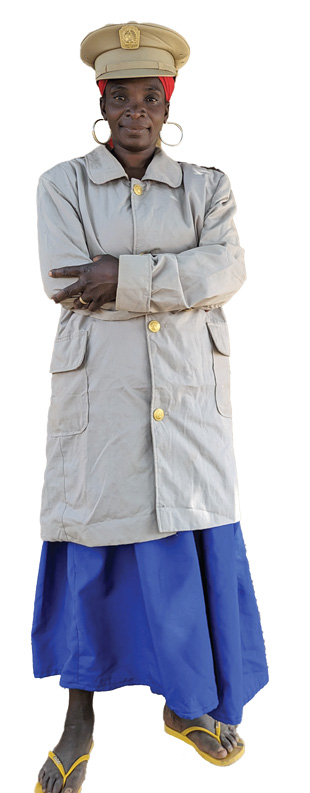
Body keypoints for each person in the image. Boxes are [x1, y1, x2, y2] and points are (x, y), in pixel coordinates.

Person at [32, 21, 269, 793]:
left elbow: (225, 270)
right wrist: (166, 274)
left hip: (189, 402)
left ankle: (189, 703)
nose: (136, 111)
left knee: (189, 540)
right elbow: (68, 282)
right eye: (121, 97)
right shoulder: (62, 185)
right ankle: (79, 721)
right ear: (99, 99)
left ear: (170, 102)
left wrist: (122, 276)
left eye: (151, 97)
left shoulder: (208, 187)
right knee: (95, 550)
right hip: (102, 402)